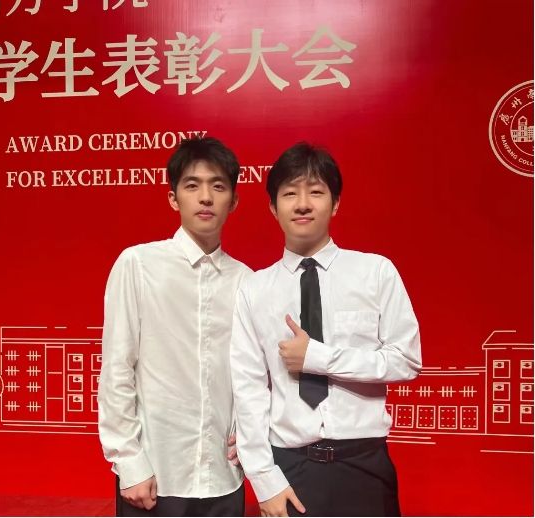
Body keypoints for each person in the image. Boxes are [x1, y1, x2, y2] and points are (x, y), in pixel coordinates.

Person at [230, 142, 422, 517]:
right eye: (290, 193)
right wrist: (264, 479)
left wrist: (318, 357)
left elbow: (406, 360)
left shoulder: (375, 272)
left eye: (316, 192)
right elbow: (248, 388)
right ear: (273, 207)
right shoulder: (254, 289)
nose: (303, 204)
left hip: (364, 463)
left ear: (335, 204)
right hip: (290, 468)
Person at [98, 136, 251, 517]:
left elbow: (251, 374)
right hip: (155, 476)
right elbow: (117, 368)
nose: (205, 198)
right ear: (173, 198)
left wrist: (250, 435)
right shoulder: (138, 265)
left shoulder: (247, 281)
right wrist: (129, 461)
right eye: (192, 185)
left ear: (234, 201)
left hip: (225, 477)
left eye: (218, 187)